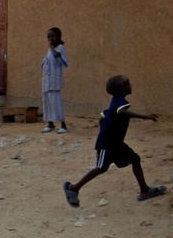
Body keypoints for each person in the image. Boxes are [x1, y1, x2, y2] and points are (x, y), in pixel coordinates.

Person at [63, 75, 165, 208]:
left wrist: (105, 125)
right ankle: (73, 188)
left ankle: (145, 190)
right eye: (127, 84)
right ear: (121, 89)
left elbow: (104, 116)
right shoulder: (120, 102)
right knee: (100, 168)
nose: (130, 86)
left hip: (116, 143)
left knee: (135, 159)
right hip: (107, 144)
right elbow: (121, 111)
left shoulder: (116, 101)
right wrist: (144, 116)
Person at [42, 27, 68, 133]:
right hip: (47, 80)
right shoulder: (50, 49)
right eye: (48, 37)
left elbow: (57, 56)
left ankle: (63, 125)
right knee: (48, 102)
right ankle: (50, 123)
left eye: (52, 36)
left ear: (59, 37)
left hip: (54, 81)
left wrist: (52, 47)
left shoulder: (60, 48)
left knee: (56, 102)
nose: (50, 38)